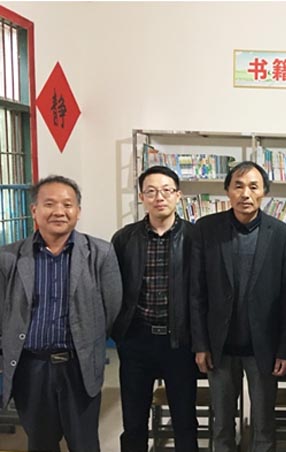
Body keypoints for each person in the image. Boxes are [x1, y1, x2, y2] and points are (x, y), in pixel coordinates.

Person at [0, 175, 122, 452]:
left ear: (78, 211)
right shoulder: (9, 257)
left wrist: (89, 341)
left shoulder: (100, 253)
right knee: (40, 443)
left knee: (84, 443)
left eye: (67, 204)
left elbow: (112, 308)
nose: (59, 211)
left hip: (79, 366)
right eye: (49, 204)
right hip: (31, 367)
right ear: (34, 210)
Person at [192, 161, 286, 452]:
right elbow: (197, 292)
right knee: (222, 424)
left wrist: (284, 349)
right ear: (227, 190)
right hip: (219, 346)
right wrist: (200, 344)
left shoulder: (282, 234)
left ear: (264, 192)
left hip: (263, 347)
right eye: (238, 186)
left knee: (264, 424)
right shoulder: (206, 229)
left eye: (253, 186)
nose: (245, 194)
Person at [111, 165, 199, 452]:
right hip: (137, 340)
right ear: (141, 197)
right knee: (134, 421)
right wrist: (119, 334)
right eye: (151, 191)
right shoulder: (124, 238)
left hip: (180, 342)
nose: (159, 197)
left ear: (178, 195)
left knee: (184, 420)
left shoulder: (196, 237)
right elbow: (114, 289)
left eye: (166, 191)